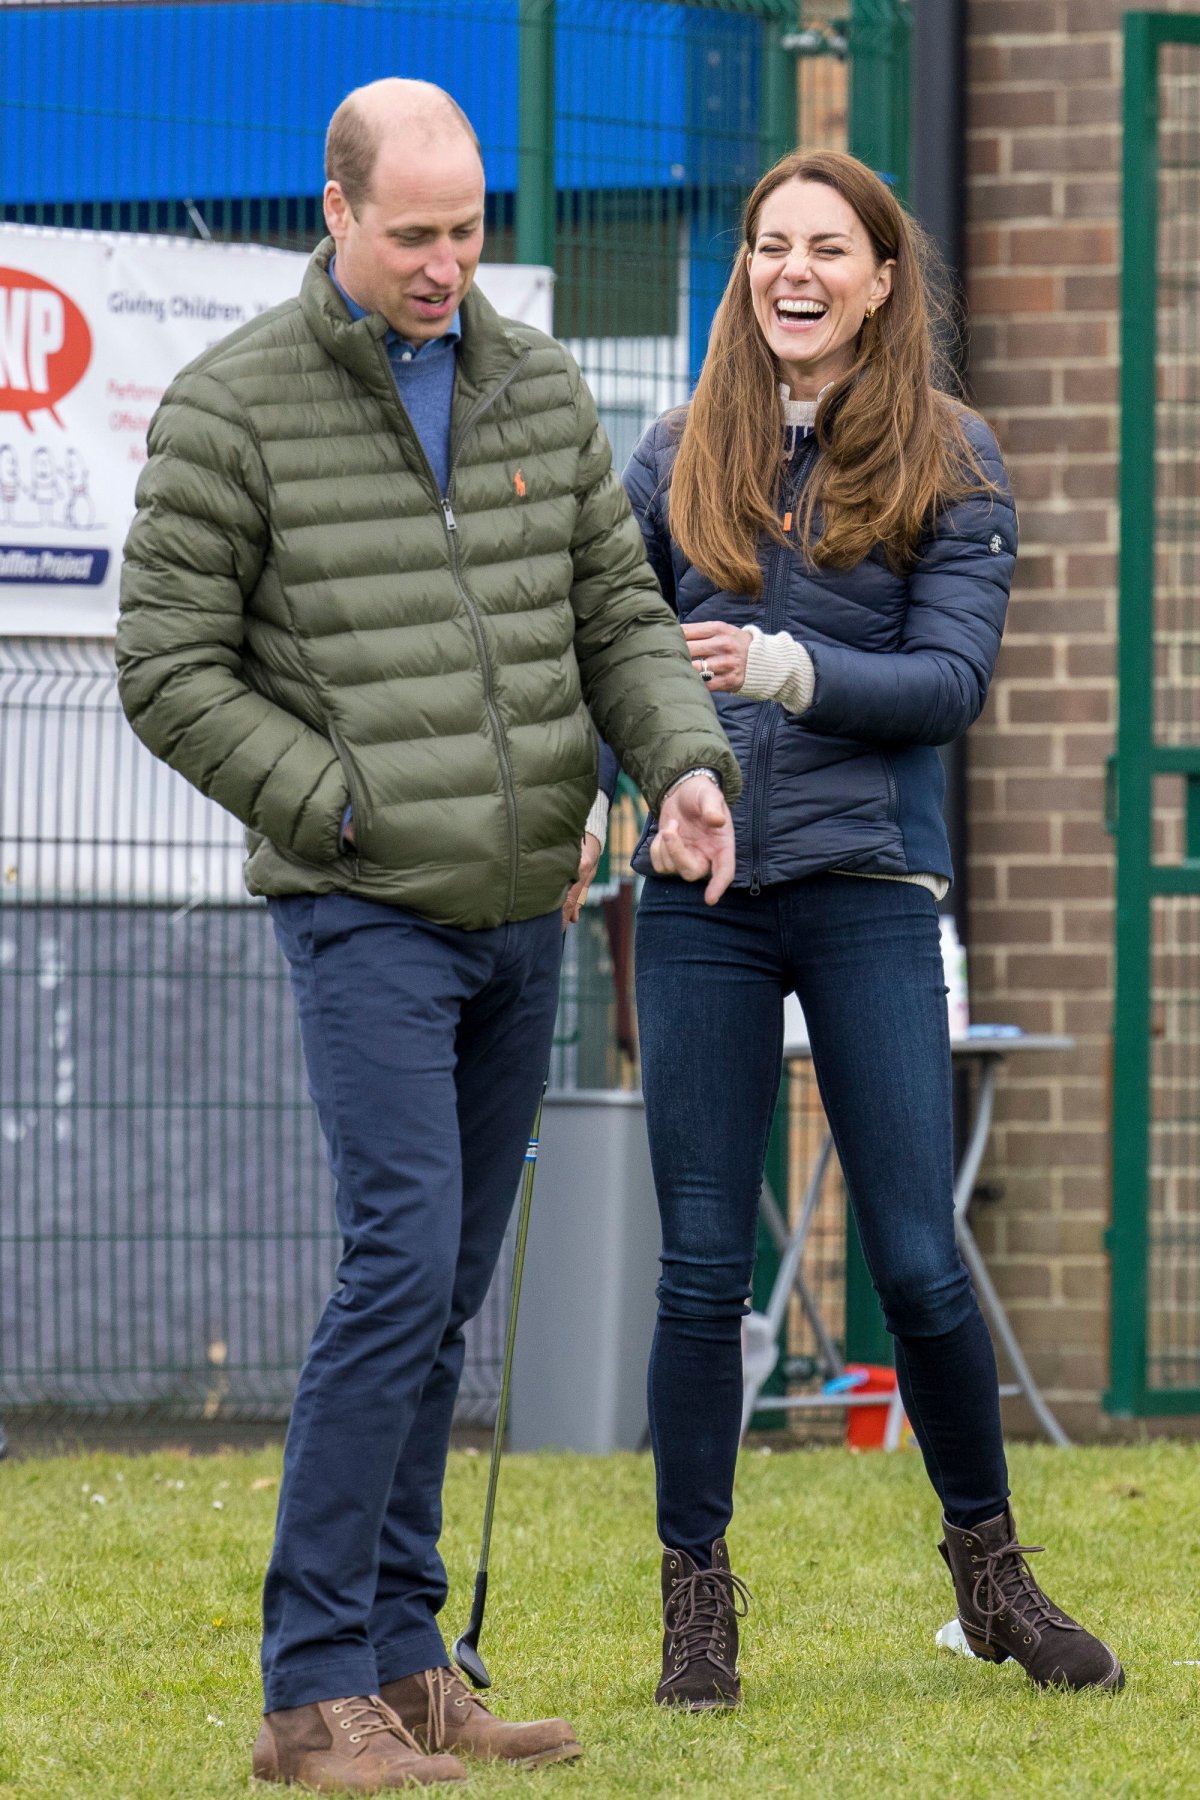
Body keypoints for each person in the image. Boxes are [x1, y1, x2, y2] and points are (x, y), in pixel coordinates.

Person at [117, 78, 740, 1794]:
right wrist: (339, 808)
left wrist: (683, 766)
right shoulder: (232, 405)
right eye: (413, 234)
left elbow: (618, 615)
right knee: (400, 1263)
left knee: (445, 1289)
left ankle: (407, 1662)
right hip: (364, 911)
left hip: (523, 914)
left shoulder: (537, 381)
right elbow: (164, 666)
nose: (445, 264)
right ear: (336, 212)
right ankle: (310, 1691)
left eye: (467, 232)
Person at [620, 149, 1124, 1710]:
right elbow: (613, 655)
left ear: (883, 277)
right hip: (701, 896)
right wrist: (642, 792)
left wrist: (785, 670)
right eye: (772, 244)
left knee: (915, 1253)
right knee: (702, 1270)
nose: (795, 271)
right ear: (746, 269)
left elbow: (949, 686)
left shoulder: (953, 458)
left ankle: (993, 1575)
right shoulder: (669, 455)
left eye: (829, 248)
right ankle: (696, 1609)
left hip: (868, 889)